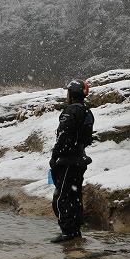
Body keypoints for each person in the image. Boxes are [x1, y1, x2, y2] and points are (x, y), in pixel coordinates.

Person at [49, 80, 95, 243]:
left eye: (68, 93)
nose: (66, 96)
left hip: (68, 160)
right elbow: (86, 138)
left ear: (72, 94)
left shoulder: (71, 111)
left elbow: (63, 136)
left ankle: (68, 232)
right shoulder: (87, 111)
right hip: (79, 159)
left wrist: (55, 157)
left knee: (63, 196)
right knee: (75, 195)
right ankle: (75, 230)